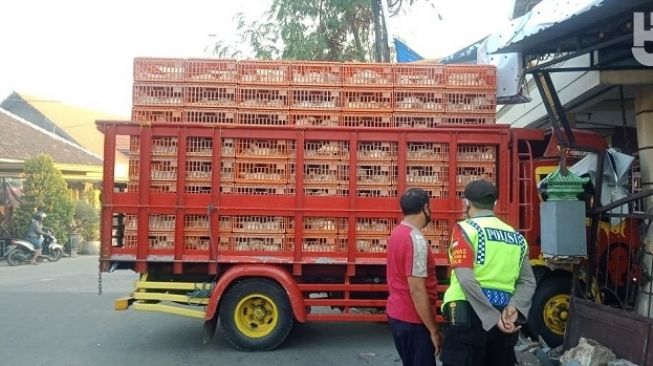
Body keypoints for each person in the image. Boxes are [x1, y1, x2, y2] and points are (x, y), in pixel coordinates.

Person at [440, 180, 536, 366]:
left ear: (465, 203)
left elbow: (466, 279)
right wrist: (515, 307)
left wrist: (491, 318)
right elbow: (528, 281)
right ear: (495, 204)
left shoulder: (465, 230)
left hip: (469, 314)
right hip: (504, 316)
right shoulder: (516, 236)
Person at [386, 188, 442, 366]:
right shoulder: (415, 240)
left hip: (398, 314)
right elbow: (417, 289)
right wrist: (433, 330)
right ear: (425, 207)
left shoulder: (396, 233)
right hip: (414, 320)